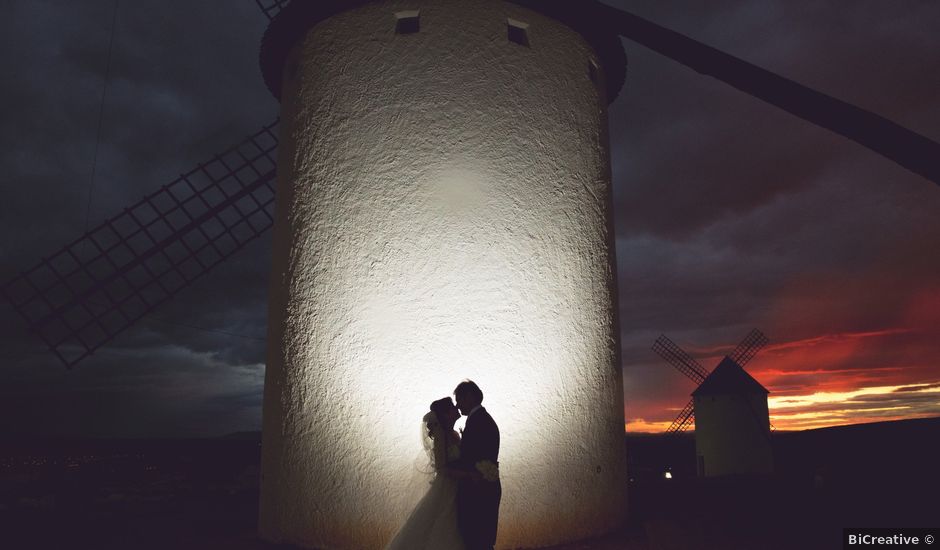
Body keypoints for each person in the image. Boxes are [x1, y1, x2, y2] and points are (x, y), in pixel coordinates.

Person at [384, 397, 465, 550]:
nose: (456, 408)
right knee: (444, 524)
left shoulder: (454, 434)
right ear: (446, 414)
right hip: (447, 487)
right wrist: (466, 475)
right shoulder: (441, 436)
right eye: (453, 407)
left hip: (457, 486)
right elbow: (441, 467)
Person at [452, 380, 501, 550]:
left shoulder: (480, 422)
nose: (457, 405)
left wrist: (448, 466)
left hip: (479, 489)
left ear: (470, 397)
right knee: (480, 539)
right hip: (482, 487)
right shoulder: (480, 419)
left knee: (478, 540)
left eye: (459, 400)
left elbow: (471, 458)